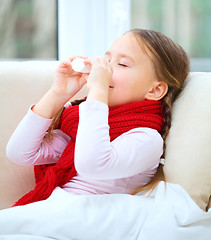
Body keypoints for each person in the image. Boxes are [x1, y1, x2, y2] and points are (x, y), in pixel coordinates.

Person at [6, 29, 190, 207]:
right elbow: (19, 152)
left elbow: (91, 164)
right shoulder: (80, 128)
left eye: (122, 64)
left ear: (154, 90)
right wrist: (58, 93)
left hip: (88, 216)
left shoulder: (147, 139)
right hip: (58, 208)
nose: (106, 68)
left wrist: (98, 91)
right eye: (107, 59)